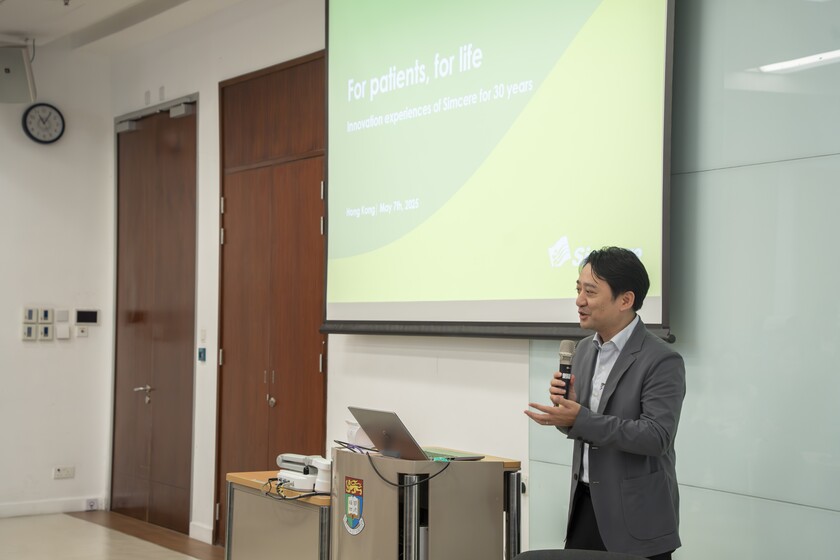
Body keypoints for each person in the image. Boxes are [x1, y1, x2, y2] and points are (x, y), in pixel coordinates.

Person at [525, 246, 686, 560]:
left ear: (625, 300)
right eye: (578, 290)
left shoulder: (661, 360)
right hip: (585, 506)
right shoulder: (585, 350)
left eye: (590, 292)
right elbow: (585, 427)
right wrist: (567, 415)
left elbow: (656, 437)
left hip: (637, 517)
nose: (579, 301)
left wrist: (580, 418)